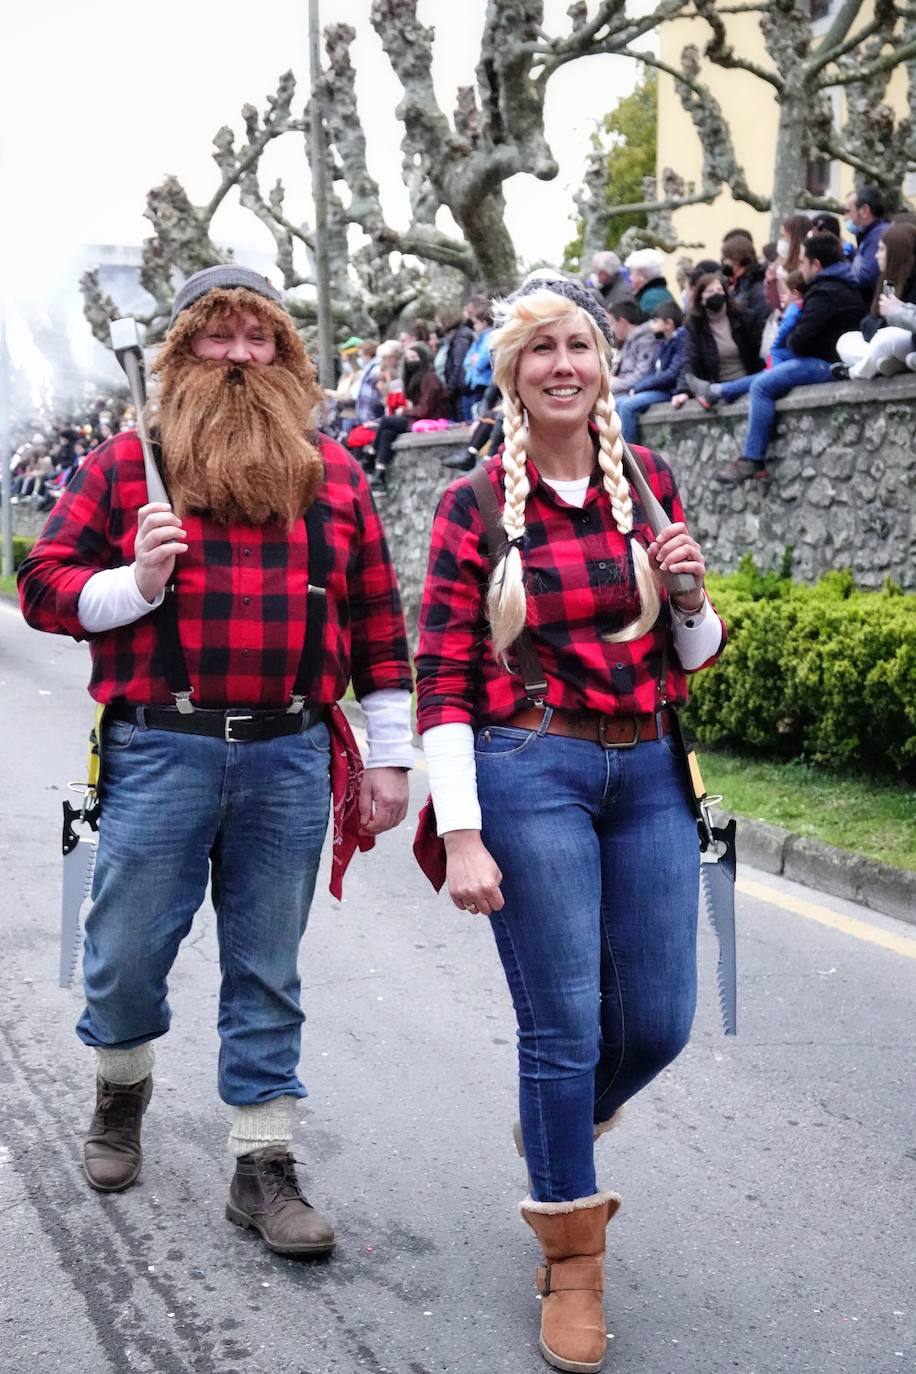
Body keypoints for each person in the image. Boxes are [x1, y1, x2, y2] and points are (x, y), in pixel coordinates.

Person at [18, 265, 414, 1255]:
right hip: (161, 747)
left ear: (286, 353)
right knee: (123, 955)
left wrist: (393, 755)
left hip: (287, 753)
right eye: (215, 337)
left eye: (258, 338)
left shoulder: (335, 475)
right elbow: (41, 587)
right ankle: (119, 1093)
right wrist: (134, 580)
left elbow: (375, 620)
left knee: (267, 968)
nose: (239, 355)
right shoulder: (123, 468)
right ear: (181, 352)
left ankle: (263, 1164)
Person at [413, 276, 725, 1374]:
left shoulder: (648, 478)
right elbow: (442, 678)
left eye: (579, 347)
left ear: (601, 365)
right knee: (562, 1025)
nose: (562, 365)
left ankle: (557, 1129)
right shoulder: (468, 505)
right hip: (526, 765)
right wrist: (459, 832)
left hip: (646, 764)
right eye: (539, 349)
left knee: (659, 1021)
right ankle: (571, 1260)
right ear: (510, 375)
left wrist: (690, 598)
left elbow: (692, 651)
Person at [686, 234, 863, 483]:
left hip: (830, 365)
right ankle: (717, 391)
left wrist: (793, 334)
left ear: (816, 265)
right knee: (771, 376)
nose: (799, 268)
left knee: (762, 386)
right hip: (828, 359)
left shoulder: (825, 292)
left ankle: (753, 458)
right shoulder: (840, 284)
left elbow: (799, 341)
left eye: (802, 262)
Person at [834, 222, 916, 379]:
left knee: (886, 338)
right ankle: (892, 363)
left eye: (882, 249)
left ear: (896, 253)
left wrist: (894, 314)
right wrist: (884, 321)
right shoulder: (887, 281)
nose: (876, 255)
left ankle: (854, 372)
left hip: (907, 343)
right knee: (845, 341)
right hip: (884, 345)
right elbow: (868, 322)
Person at [671, 271, 762, 408]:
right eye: (710, 291)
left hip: (747, 379)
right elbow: (689, 358)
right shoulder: (695, 325)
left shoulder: (744, 318)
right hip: (718, 381)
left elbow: (759, 352)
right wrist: (683, 390)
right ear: (701, 298)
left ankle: (714, 392)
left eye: (719, 290)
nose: (716, 294)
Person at [368, 341, 451, 490]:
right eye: (408, 358)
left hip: (430, 419)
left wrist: (405, 412)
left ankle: (371, 455)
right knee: (387, 433)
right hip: (419, 417)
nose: (411, 361)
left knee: (387, 421)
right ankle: (379, 474)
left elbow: (426, 409)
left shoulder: (430, 379)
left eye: (414, 357)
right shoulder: (416, 379)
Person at [615, 301, 686, 442]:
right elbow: (652, 371)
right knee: (617, 403)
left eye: (655, 321)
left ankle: (629, 453)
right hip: (657, 388)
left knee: (628, 406)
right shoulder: (663, 342)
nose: (651, 326)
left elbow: (671, 374)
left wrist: (640, 387)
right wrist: (637, 387)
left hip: (668, 390)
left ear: (668, 324)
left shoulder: (681, 340)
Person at [845, 185, 891, 301]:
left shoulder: (878, 235)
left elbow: (864, 279)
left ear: (864, 211)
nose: (846, 217)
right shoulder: (870, 234)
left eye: (848, 211)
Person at [721, 232, 769, 336]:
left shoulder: (757, 289)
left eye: (727, 258)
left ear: (738, 259)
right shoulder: (736, 285)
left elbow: (759, 325)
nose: (724, 262)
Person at [607, 299, 660, 394]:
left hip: (634, 391)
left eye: (612, 323)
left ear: (622, 322)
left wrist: (614, 384)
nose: (611, 329)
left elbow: (642, 375)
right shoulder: (629, 341)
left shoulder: (645, 341)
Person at [623, 248, 674, 314]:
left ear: (642, 276)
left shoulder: (650, 299)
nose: (630, 278)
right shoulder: (658, 292)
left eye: (632, 273)